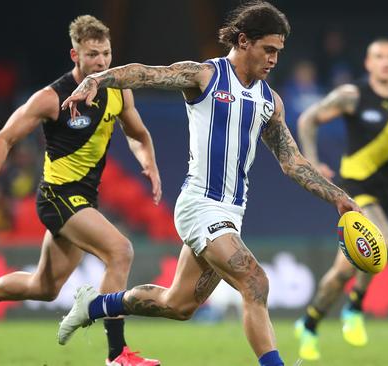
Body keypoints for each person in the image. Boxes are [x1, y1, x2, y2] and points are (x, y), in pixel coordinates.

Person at [57, 3, 360, 366]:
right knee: (255, 283)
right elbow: (146, 74)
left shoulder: (269, 101)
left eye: (279, 52)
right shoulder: (205, 76)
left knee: (179, 305)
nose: (275, 59)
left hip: (232, 212)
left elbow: (292, 162)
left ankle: (92, 305)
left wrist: (338, 198)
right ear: (244, 41)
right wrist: (97, 79)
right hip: (200, 204)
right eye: (269, 49)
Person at [0, 15, 161, 366]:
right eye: (92, 55)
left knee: (43, 288)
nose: (101, 62)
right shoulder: (50, 97)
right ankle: (118, 354)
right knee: (121, 251)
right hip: (57, 197)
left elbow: (138, 134)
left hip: (83, 199)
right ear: (75, 56)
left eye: (105, 53)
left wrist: (148, 162)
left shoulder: (118, 89)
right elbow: (4, 138)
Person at [295, 38, 388, 361]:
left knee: (342, 272)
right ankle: (355, 308)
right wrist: (311, 161)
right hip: (353, 189)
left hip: (383, 195)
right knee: (384, 240)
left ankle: (309, 323)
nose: (385, 62)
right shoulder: (352, 95)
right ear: (368, 64)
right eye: (379, 57)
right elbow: (306, 119)